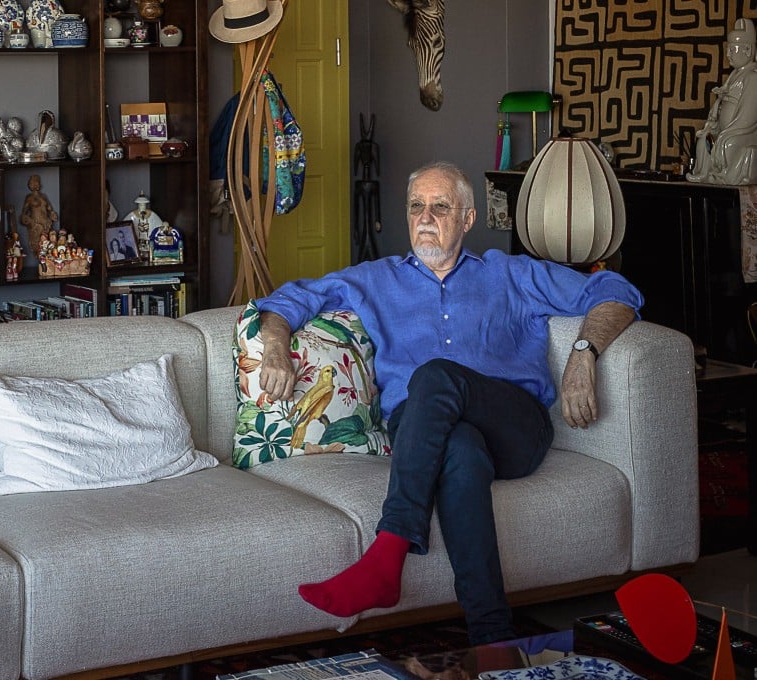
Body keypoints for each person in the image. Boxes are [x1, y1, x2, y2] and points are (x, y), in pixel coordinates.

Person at [255, 161, 642, 645]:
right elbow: (287, 299)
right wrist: (274, 348)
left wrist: (584, 354)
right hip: (430, 436)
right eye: (416, 206)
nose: (424, 217)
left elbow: (616, 290)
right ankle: (493, 638)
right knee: (458, 450)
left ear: (468, 219)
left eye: (440, 207)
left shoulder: (511, 274)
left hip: (515, 426)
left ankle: (388, 553)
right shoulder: (374, 281)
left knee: (434, 376)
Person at [688, 18, 757, 185]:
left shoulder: (752, 77)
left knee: (728, 145)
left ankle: (728, 176)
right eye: (728, 50)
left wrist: (729, 133)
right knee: (704, 140)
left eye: (733, 50)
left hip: (744, 132)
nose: (728, 55)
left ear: (747, 50)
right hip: (725, 129)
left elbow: (749, 114)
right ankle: (705, 174)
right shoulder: (733, 76)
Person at [20, 174, 58, 253]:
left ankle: (44, 263)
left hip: (46, 224)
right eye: (34, 183)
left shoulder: (43, 196)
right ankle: (41, 262)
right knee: (37, 247)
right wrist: (31, 222)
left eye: (37, 183)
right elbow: (24, 214)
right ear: (30, 185)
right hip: (36, 225)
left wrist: (52, 215)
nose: (36, 185)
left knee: (47, 246)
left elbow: (49, 209)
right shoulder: (29, 198)